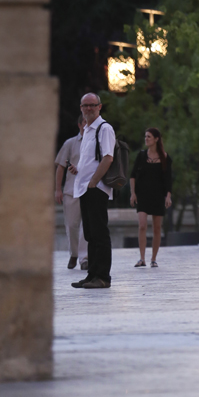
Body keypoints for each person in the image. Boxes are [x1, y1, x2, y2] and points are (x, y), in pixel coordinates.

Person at [71, 92, 115, 290]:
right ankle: (92, 275)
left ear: (100, 107)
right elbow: (91, 160)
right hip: (84, 188)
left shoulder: (104, 129)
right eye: (85, 105)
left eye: (92, 105)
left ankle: (103, 277)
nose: (88, 108)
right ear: (81, 108)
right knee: (90, 234)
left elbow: (108, 157)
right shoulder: (87, 130)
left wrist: (93, 182)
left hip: (95, 188)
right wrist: (78, 171)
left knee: (99, 233)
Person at [130, 128, 173, 267]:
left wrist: (168, 196)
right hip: (143, 195)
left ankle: (153, 259)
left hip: (158, 195)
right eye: (145, 136)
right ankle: (142, 258)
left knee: (157, 228)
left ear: (156, 139)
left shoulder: (165, 158)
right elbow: (132, 176)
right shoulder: (141, 156)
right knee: (142, 225)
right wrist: (133, 193)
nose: (146, 139)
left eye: (149, 136)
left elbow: (168, 180)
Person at [54, 114, 89, 270]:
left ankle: (84, 258)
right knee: (71, 225)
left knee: (85, 225)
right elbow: (60, 166)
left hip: (89, 189)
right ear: (79, 125)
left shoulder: (95, 143)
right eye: (85, 124)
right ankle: (74, 253)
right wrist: (57, 189)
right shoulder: (70, 143)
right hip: (71, 190)